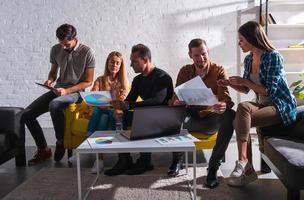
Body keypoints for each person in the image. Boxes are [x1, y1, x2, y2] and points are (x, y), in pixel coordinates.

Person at [223, 21, 297, 187]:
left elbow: (268, 91)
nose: (239, 43)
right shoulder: (249, 59)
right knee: (242, 111)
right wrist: (229, 84)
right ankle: (245, 165)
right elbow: (245, 89)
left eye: (241, 39)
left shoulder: (273, 57)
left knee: (241, 116)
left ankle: (244, 166)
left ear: (251, 39)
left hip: (280, 105)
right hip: (262, 104)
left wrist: (245, 82)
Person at [22, 24, 95, 165]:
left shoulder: (87, 52)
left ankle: (60, 141)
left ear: (75, 39)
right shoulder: (56, 49)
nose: (63, 47)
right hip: (58, 90)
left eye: (66, 44)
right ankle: (43, 150)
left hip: (76, 93)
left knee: (54, 104)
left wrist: (67, 91)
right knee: (27, 114)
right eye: (60, 43)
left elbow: (88, 81)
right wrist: (50, 80)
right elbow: (53, 72)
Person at [169, 38, 235, 189]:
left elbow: (226, 98)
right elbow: (175, 96)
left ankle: (212, 167)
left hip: (210, 119)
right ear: (190, 55)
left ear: (208, 52)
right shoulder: (185, 71)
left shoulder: (218, 70)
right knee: (174, 111)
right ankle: (177, 159)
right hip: (189, 118)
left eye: (204, 54)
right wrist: (176, 102)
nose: (201, 58)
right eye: (197, 55)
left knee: (230, 114)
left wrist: (223, 105)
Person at [104, 44, 174, 176]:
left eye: (134, 61)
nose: (131, 65)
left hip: (165, 118)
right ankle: (124, 160)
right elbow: (130, 100)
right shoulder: (137, 80)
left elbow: (157, 101)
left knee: (143, 115)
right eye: (131, 61)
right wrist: (119, 108)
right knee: (119, 116)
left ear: (146, 60)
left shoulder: (162, 77)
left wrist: (127, 106)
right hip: (148, 116)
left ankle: (145, 161)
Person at [86, 51, 129, 173]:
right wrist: (102, 102)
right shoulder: (100, 80)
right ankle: (99, 160)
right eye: (112, 62)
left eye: (117, 63)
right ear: (107, 63)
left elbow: (122, 100)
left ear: (120, 66)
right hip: (101, 110)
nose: (114, 65)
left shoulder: (123, 82)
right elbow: (92, 95)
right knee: (101, 115)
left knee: (104, 114)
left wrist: (107, 102)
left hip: (114, 112)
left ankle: (90, 140)